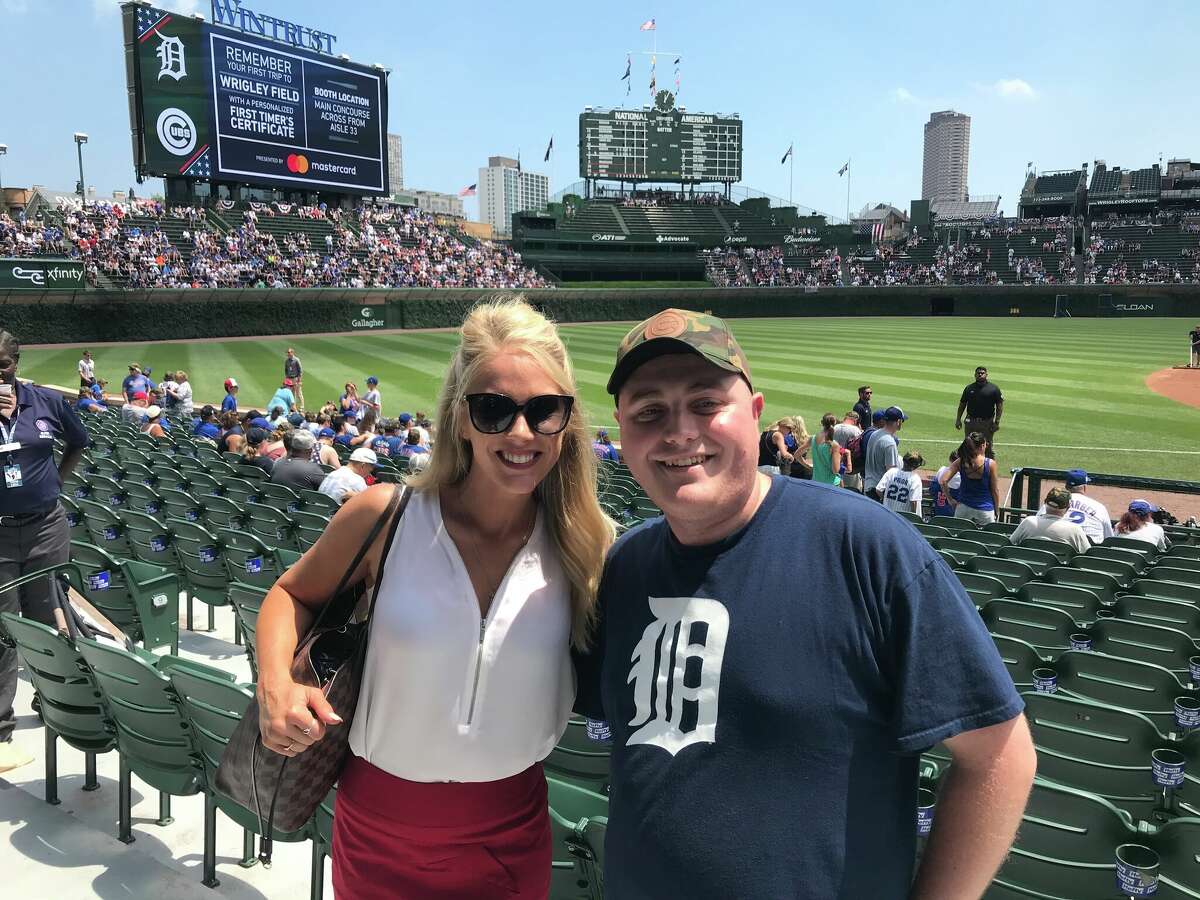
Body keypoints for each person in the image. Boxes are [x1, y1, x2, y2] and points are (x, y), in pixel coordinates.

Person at [574, 308, 1035, 899]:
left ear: (757, 415)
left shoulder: (865, 547)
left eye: (706, 403)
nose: (679, 431)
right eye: (649, 412)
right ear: (621, 426)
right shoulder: (622, 567)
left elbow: (1000, 755)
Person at [254, 297, 611, 899]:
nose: (521, 432)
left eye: (545, 410)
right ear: (460, 418)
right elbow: (290, 593)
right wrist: (275, 685)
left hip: (512, 831)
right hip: (379, 829)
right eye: (494, 409)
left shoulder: (587, 545)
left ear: (567, 420)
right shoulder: (384, 516)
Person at [0, 330, 90, 773]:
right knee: (3, 628)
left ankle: (51, 698)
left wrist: (56, 479)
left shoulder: (45, 401)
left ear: (15, 363)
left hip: (46, 527)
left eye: (1, 365)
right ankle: (0, 728)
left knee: (51, 618)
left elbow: (79, 439)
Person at [1036, 469, 1112, 544]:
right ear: (1085, 487)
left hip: (1055, 550)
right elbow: (1109, 538)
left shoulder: (1052, 503)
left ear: (1066, 486)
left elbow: (1037, 523)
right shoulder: (1099, 507)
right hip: (1089, 553)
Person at [941, 432, 1001, 525]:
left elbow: (943, 480)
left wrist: (950, 500)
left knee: (959, 537)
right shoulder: (990, 464)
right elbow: (995, 490)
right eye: (985, 444)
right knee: (986, 538)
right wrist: (997, 509)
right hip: (985, 510)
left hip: (963, 508)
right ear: (982, 446)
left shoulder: (960, 461)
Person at [1010, 488, 1091, 553]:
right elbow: (1087, 556)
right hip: (1059, 573)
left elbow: (1009, 544)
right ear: (1068, 507)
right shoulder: (1075, 530)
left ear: (1045, 502)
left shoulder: (1028, 522)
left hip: (1027, 570)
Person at [955, 366, 1003, 458]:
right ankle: (969, 469)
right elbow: (962, 404)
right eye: (978, 373)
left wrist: (997, 422)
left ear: (986, 375)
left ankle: (990, 469)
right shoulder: (969, 388)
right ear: (975, 375)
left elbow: (1000, 406)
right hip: (971, 422)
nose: (980, 374)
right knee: (968, 446)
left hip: (987, 422)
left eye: (982, 373)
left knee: (987, 447)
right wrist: (958, 419)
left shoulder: (993, 389)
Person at [864, 406, 905, 499]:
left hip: (868, 486)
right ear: (898, 421)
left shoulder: (875, 433)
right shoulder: (890, 443)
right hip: (879, 491)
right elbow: (891, 472)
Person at [877, 450, 924, 514]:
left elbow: (878, 490)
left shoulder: (891, 472)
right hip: (904, 519)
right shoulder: (915, 479)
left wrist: (885, 500)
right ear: (915, 466)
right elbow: (913, 502)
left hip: (888, 514)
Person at [810, 413, 845, 486]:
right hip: (831, 484)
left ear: (822, 423)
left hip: (815, 481)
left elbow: (797, 455)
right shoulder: (834, 445)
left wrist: (808, 466)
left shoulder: (813, 438)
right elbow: (835, 470)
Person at [832, 411, 862, 490]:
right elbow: (858, 450)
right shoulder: (855, 430)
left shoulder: (835, 427)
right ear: (855, 421)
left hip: (835, 465)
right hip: (849, 467)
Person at [929, 450, 960, 518]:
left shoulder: (941, 470)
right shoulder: (962, 476)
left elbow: (932, 490)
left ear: (949, 459)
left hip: (938, 516)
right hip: (955, 518)